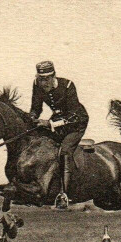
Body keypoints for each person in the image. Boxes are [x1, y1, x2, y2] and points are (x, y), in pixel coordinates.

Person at [28, 60, 89, 209]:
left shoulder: (68, 85)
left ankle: (64, 194)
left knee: (65, 151)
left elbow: (73, 115)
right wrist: (32, 117)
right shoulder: (36, 85)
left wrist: (49, 124)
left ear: (54, 75)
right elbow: (36, 107)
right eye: (41, 79)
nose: (44, 82)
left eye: (47, 78)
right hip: (56, 121)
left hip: (76, 123)